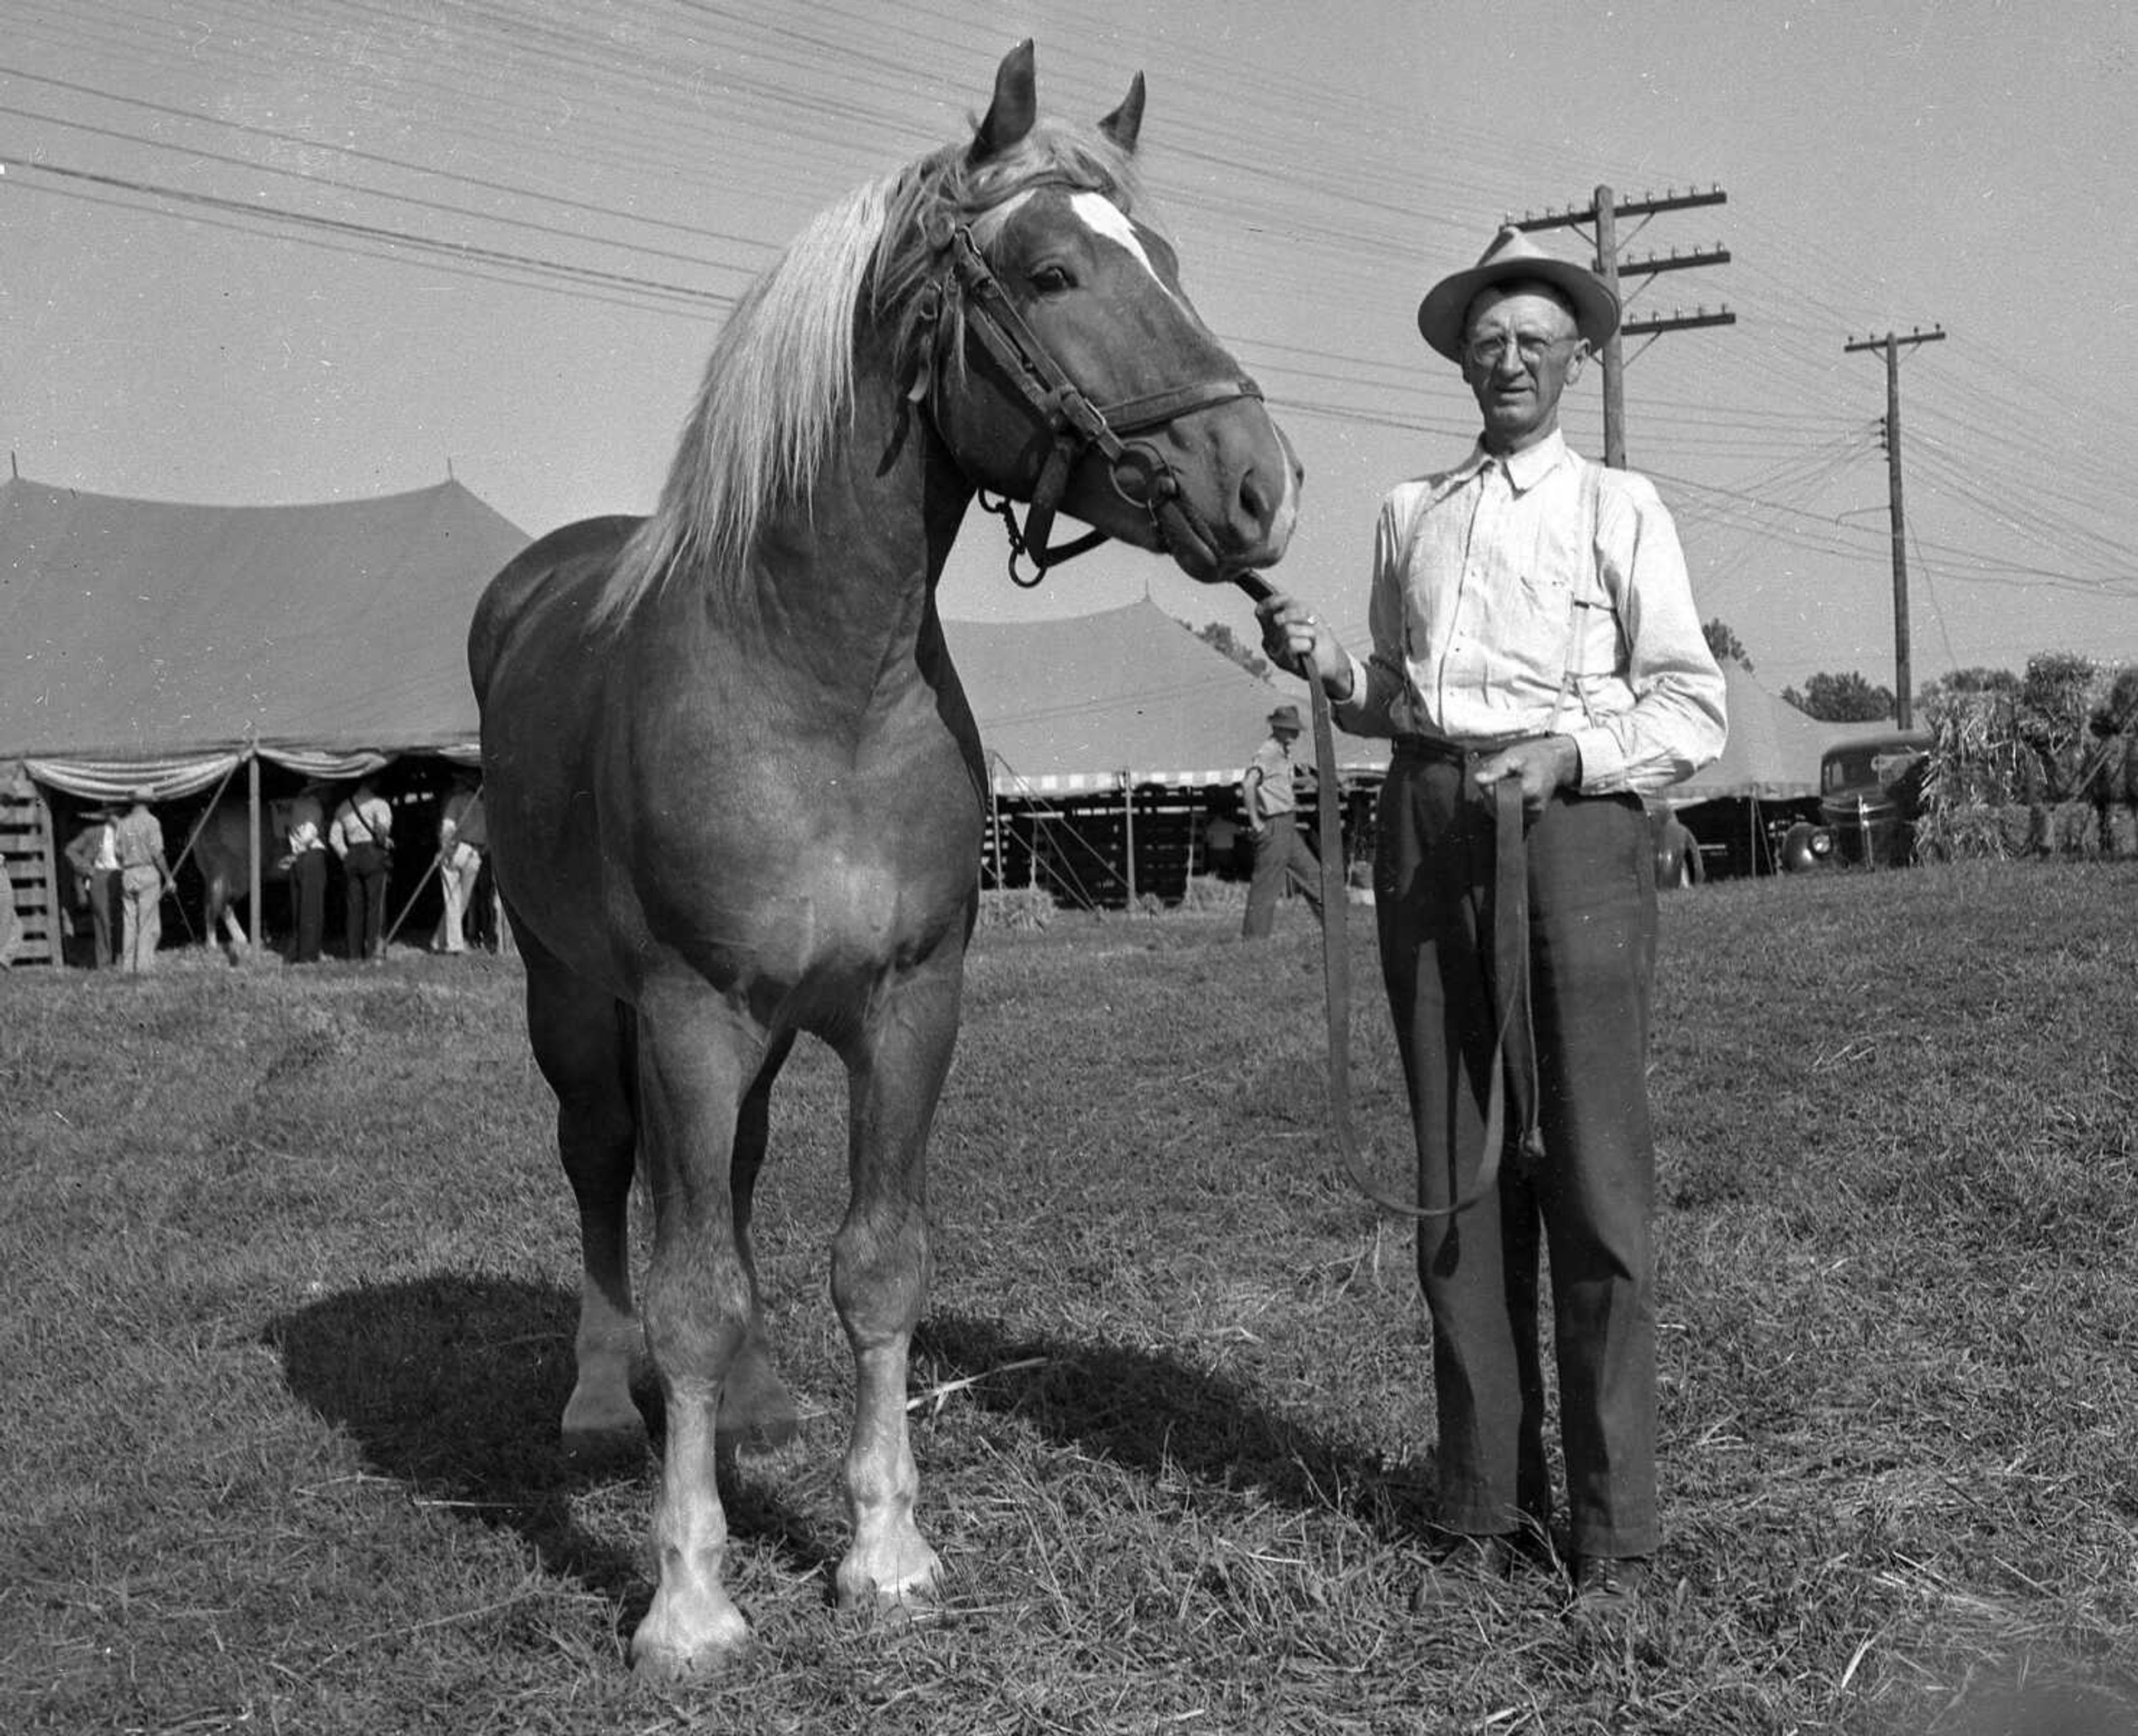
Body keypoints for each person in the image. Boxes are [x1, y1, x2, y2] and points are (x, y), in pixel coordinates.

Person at [1255, 226, 1727, 1620]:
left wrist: (1569, 758)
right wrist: (1332, 668)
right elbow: (1395, 693)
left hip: (1569, 836)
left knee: (1586, 1175)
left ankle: (1617, 1542)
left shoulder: (1620, 508)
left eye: (1533, 338)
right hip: (1424, 827)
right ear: (1460, 355)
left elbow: (1688, 707)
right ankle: (1479, 1510)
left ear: (1576, 358)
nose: (1507, 359)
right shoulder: (1412, 511)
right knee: (1454, 1178)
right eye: (1486, 338)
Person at [1239, 703, 1325, 939]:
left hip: (1288, 823)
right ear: (1278, 728)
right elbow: (1248, 784)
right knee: (1267, 884)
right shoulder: (1268, 751)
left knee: (1313, 874)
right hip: (1275, 824)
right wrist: (1256, 821)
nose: (1296, 733)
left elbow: (1276, 785)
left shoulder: (1283, 751)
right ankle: (1254, 941)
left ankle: (1336, 927)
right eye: (1291, 729)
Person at [329, 777, 394, 963]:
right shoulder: (379, 804)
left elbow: (334, 838)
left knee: (354, 906)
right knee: (377, 906)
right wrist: (385, 843)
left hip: (352, 855)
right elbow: (382, 831)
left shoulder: (343, 807)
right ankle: (376, 953)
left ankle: (354, 954)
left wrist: (346, 855)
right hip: (373, 853)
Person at [111, 788, 173, 973]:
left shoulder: (122, 824)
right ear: (149, 802)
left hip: (128, 874)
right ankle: (144, 967)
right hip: (147, 873)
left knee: (129, 921)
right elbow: (157, 853)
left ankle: (128, 967)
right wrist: (169, 877)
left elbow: (118, 853)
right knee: (147, 922)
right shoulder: (152, 823)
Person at [430, 776, 485, 954]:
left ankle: (449, 944)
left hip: (457, 850)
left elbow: (448, 828)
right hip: (475, 852)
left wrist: (444, 850)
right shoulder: (484, 805)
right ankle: (444, 942)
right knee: (462, 901)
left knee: (453, 900)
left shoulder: (456, 801)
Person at [63, 807, 121, 968]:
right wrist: (85, 867)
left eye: (123, 814)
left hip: (124, 877)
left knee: (124, 920)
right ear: (109, 816)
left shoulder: (130, 831)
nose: (120, 818)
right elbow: (70, 850)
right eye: (117, 814)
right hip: (102, 877)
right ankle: (105, 962)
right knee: (104, 920)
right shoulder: (94, 833)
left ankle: (122, 960)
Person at [285, 782, 330, 964]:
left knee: (300, 906)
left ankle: (297, 950)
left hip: (298, 856)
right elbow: (310, 833)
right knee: (313, 907)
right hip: (311, 854)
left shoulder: (297, 806)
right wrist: (304, 845)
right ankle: (309, 955)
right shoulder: (314, 807)